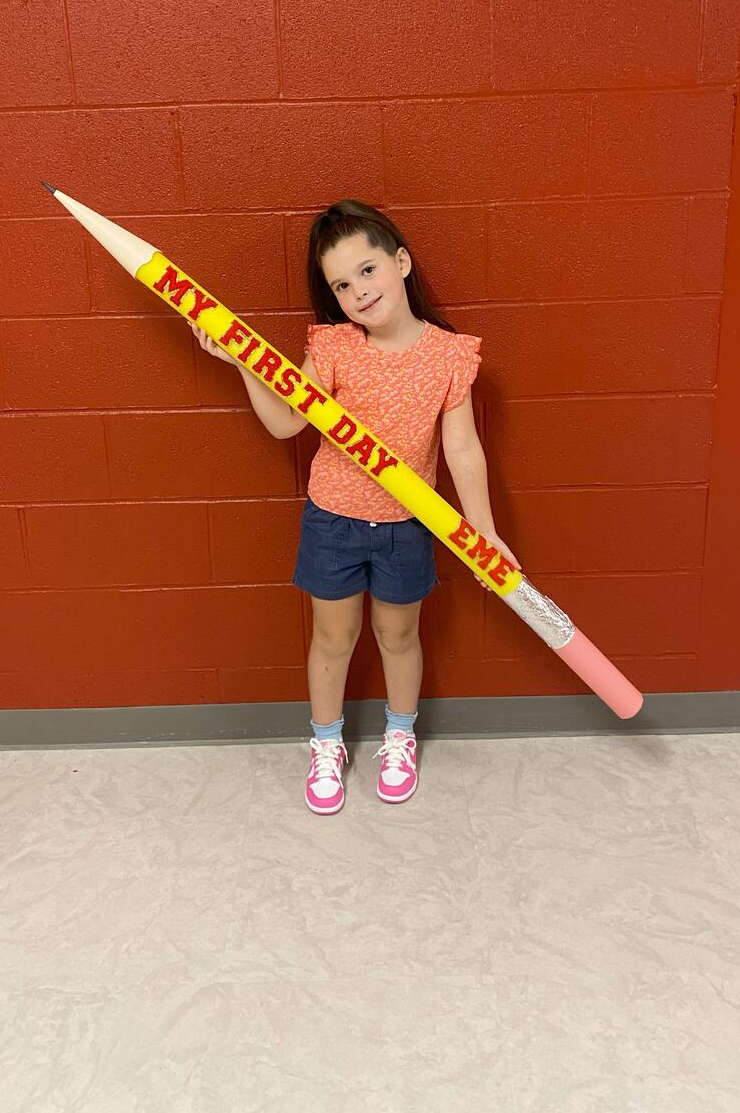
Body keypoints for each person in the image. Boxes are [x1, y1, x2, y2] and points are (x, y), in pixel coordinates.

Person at [194, 199, 521, 815]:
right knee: (333, 637)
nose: (359, 291)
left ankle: (400, 737)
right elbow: (288, 424)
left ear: (401, 263)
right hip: (333, 522)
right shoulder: (334, 348)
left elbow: (463, 450)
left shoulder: (450, 356)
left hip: (407, 527)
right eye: (341, 285)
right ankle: (326, 743)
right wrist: (242, 363)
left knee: (399, 636)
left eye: (367, 270)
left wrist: (484, 532)